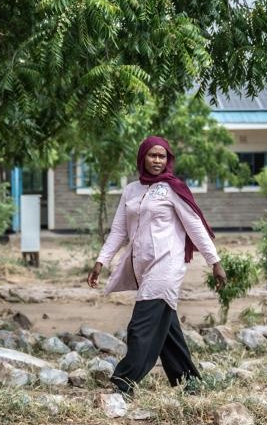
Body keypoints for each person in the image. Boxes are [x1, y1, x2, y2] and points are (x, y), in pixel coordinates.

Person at [88, 136, 226, 396]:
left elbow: (195, 226)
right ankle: (190, 383)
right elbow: (119, 230)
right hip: (143, 267)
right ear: (143, 157)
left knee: (141, 326)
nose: (157, 160)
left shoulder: (173, 188)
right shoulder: (131, 190)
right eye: (152, 155)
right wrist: (101, 261)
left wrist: (214, 261)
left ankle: (124, 382)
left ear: (168, 160)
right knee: (167, 330)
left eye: (162, 156)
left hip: (167, 265)